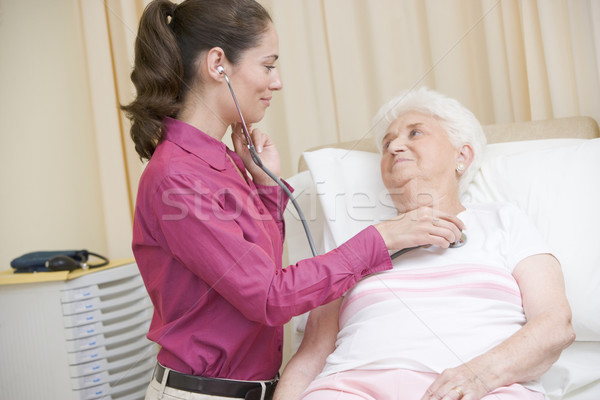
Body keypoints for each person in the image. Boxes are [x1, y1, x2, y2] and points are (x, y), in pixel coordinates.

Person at [121, 2, 465, 399]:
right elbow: (270, 297)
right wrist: (382, 237)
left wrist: (266, 186)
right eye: (268, 65)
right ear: (218, 64)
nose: (277, 81)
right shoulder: (176, 178)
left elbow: (256, 269)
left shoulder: (222, 160)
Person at [274, 87, 576, 400]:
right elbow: (310, 359)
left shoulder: (503, 220)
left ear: (462, 155)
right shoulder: (357, 244)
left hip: (481, 388)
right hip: (350, 389)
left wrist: (478, 376)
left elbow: (555, 324)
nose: (394, 147)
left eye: (415, 133)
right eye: (387, 143)